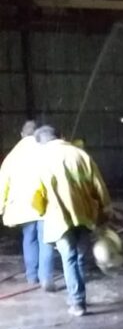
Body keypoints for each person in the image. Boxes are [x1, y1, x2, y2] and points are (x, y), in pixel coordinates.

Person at [32, 126, 112, 317]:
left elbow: (37, 197)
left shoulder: (41, 161)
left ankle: (77, 302)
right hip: (84, 216)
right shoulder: (81, 155)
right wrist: (105, 210)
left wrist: (41, 211)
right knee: (80, 258)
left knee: (69, 259)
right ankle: (79, 297)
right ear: (61, 136)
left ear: (41, 143)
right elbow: (99, 187)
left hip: (59, 219)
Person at [0, 119, 56, 289]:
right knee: (45, 239)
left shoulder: (12, 156)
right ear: (38, 132)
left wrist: (1, 206)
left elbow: (3, 183)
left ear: (21, 134)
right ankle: (45, 277)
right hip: (44, 203)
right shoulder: (46, 150)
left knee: (29, 238)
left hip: (22, 207)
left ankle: (32, 276)